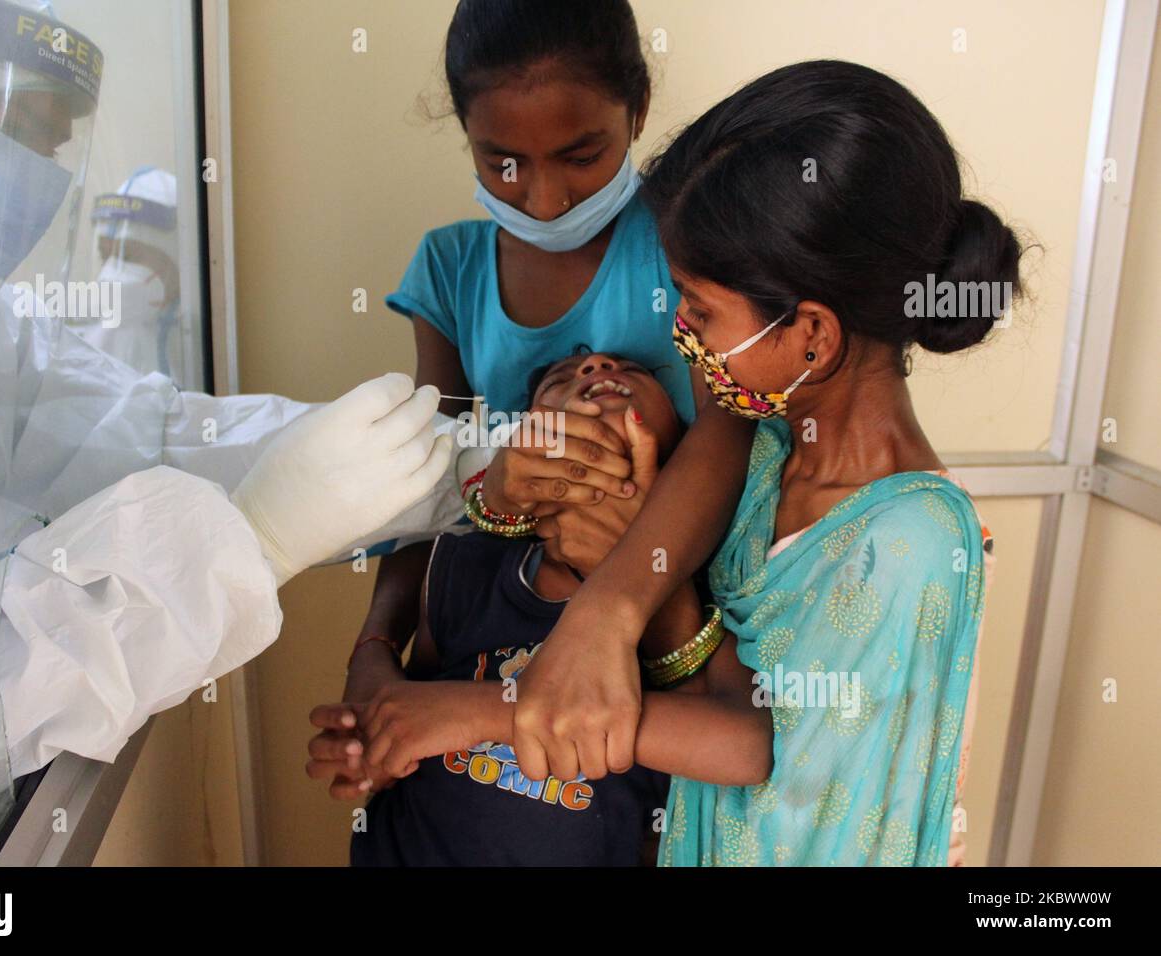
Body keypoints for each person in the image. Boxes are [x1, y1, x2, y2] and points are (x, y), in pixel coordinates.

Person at [0, 0, 479, 854]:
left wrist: (468, 470)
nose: (47, 174)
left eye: (59, 146)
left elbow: (147, 433)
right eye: (31, 131)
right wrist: (254, 539)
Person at [515, 60, 1007, 865]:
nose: (678, 330)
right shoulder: (769, 447)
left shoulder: (910, 545)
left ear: (810, 335)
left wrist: (478, 713)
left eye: (700, 309)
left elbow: (807, 812)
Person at [331, 0, 756, 802]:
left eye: (582, 154)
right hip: (495, 643)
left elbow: (725, 438)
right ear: (467, 136)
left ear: (637, 111)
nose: (546, 198)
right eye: (503, 165)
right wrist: (376, 644)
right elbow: (423, 482)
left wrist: (615, 613)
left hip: (669, 638)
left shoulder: (686, 244)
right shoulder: (450, 270)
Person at [308, 352, 772, 866]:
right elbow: (396, 717)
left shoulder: (699, 588)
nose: (594, 366)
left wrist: (480, 713)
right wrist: (368, 738)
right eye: (560, 380)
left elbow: (743, 748)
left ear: (685, 452)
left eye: (633, 373)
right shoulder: (466, 566)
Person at [77, 166, 189, 383]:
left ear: (178, 258)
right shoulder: (89, 348)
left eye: (127, 256)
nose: (110, 274)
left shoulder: (204, 348)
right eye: (104, 254)